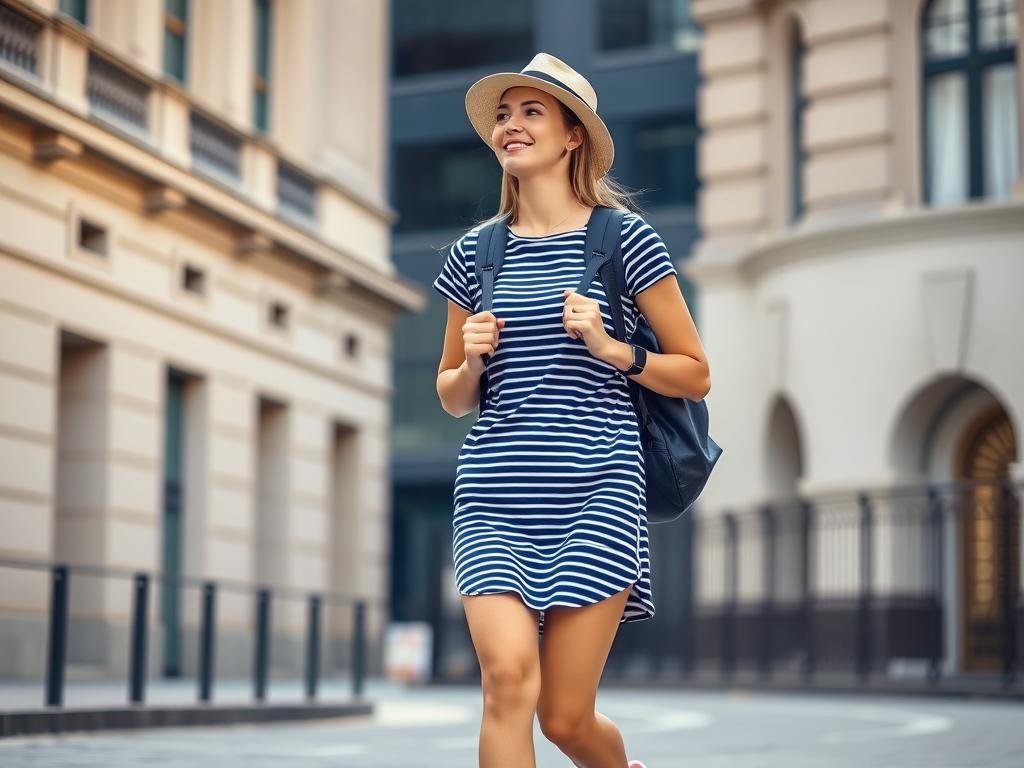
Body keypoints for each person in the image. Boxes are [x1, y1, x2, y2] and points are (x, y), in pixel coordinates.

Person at [432, 52, 711, 768]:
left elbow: (696, 373)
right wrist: (471, 360)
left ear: (572, 136)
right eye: (503, 114)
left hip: (597, 492)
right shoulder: (477, 253)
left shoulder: (624, 240)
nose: (511, 126)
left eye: (531, 112)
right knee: (505, 683)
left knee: (565, 720)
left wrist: (614, 348)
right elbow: (453, 396)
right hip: (496, 492)